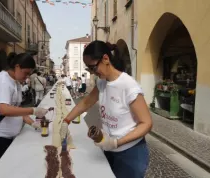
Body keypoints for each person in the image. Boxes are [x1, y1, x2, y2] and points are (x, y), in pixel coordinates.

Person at [60, 41, 152, 178]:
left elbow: (147, 123)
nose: (92, 73)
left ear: (105, 59)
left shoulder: (128, 86)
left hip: (130, 154)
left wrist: (116, 142)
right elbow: (86, 102)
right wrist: (66, 120)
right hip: (108, 148)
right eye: (89, 69)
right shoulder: (102, 82)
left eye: (93, 67)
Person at [0, 53, 50, 175]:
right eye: (26, 73)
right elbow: (4, 109)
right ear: (17, 67)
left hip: (7, 137)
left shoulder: (15, 82)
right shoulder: (3, 81)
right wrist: (33, 110)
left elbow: (16, 108)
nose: (27, 77)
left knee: (9, 172)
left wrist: (33, 123)